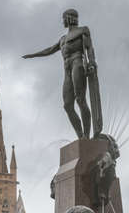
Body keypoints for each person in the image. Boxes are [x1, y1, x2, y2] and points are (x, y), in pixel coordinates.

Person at [22, 9, 98, 139]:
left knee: (80, 100)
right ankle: (80, 137)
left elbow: (89, 48)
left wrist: (91, 62)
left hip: (77, 63)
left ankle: (86, 135)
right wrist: (32, 55)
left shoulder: (82, 30)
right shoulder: (62, 39)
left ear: (70, 18)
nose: (63, 21)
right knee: (68, 105)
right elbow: (49, 50)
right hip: (67, 69)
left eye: (64, 18)